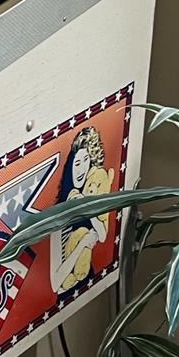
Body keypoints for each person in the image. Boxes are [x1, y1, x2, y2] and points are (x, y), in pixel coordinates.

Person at [50, 126, 114, 296]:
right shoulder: (59, 213)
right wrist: (82, 245)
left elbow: (102, 235)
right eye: (77, 163)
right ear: (70, 167)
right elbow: (55, 284)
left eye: (86, 161)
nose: (81, 169)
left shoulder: (92, 194)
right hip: (66, 294)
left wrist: (87, 207)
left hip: (88, 282)